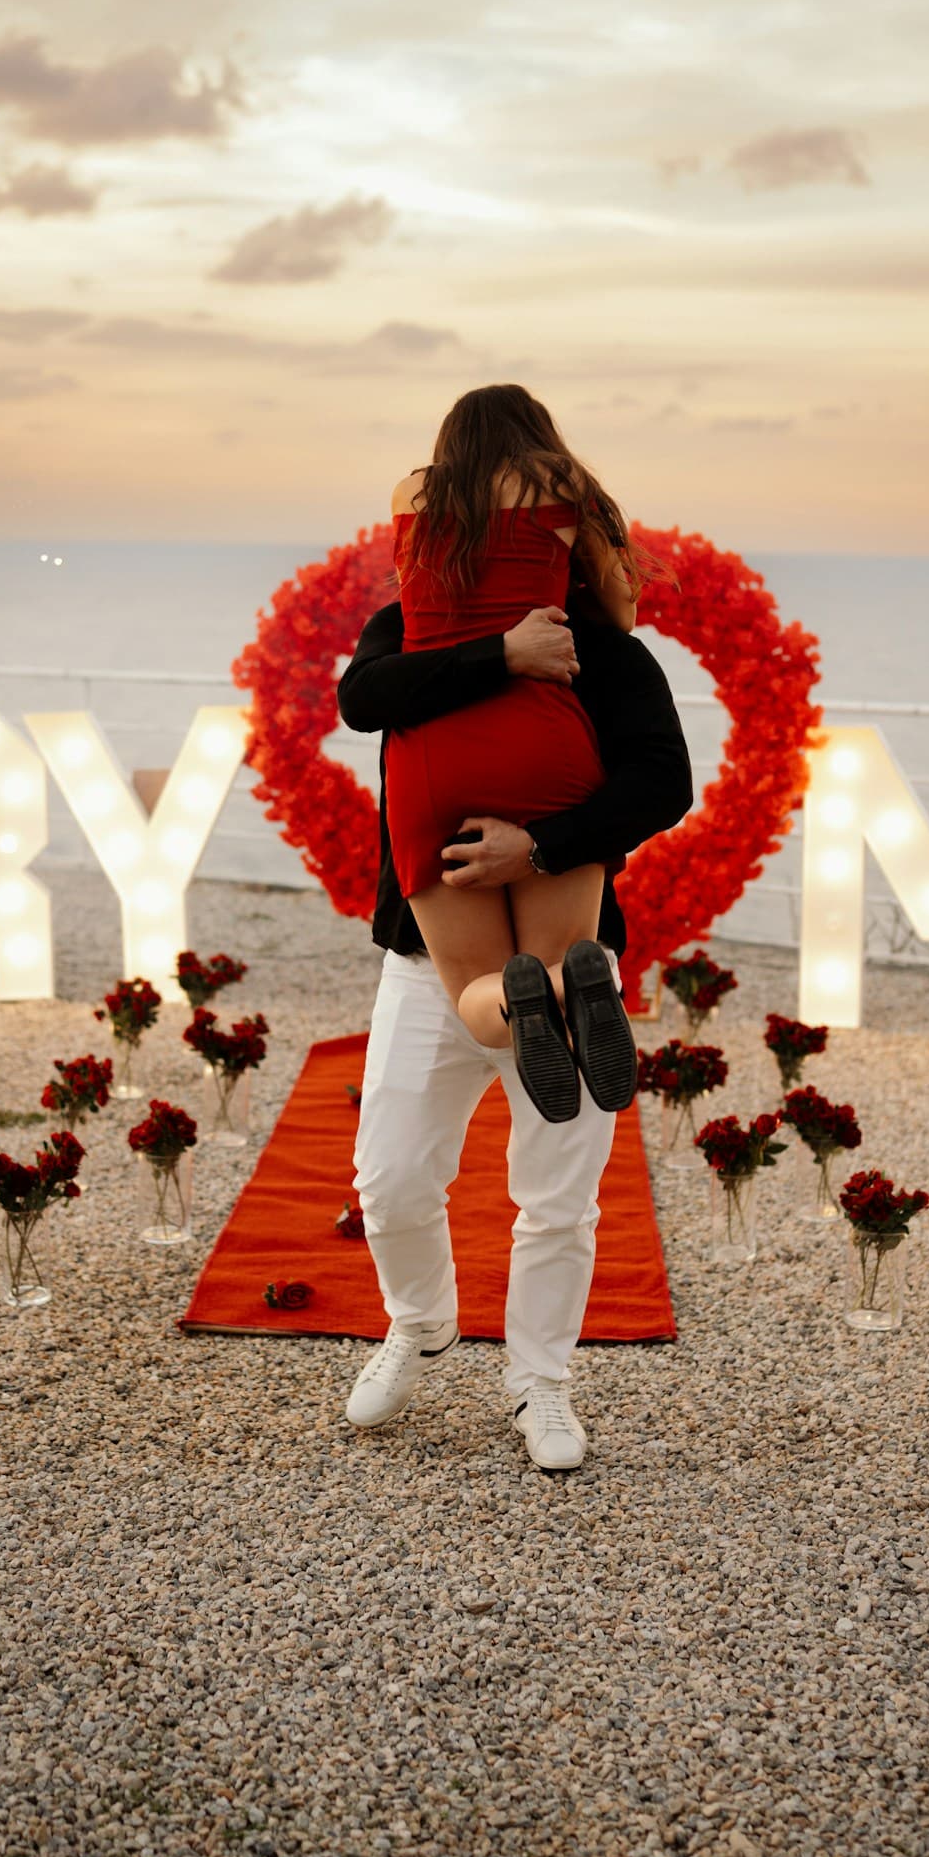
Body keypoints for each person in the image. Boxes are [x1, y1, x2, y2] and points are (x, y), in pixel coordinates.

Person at [335, 565, 691, 1472]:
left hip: (572, 967)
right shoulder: (407, 623)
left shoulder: (597, 644)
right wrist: (500, 656)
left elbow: (662, 780)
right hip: (427, 962)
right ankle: (420, 1324)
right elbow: (362, 699)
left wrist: (539, 847)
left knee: (560, 1196)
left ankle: (543, 1380)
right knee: (390, 1179)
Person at [386, 384, 646, 1124]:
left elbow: (420, 607)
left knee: (474, 990)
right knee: (564, 951)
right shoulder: (563, 483)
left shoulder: (413, 492)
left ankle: (519, 996)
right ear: (536, 432)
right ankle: (576, 979)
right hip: (543, 737)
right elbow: (622, 611)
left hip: (432, 754)